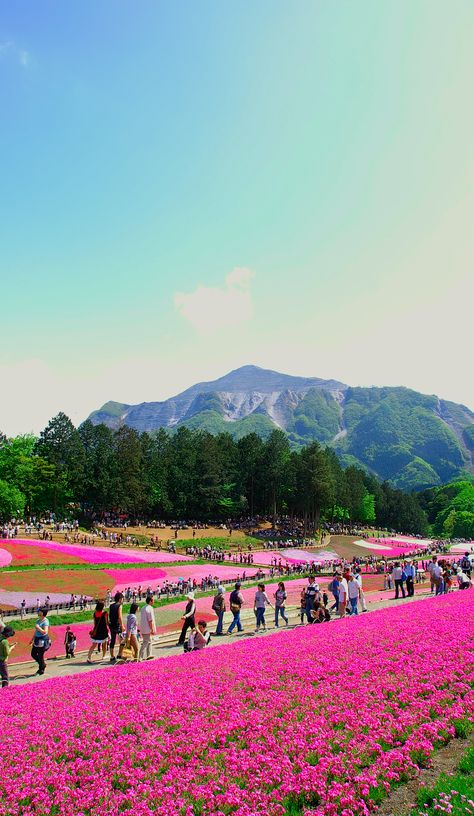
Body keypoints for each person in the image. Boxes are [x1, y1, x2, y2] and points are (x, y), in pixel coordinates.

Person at [30, 608, 49, 675]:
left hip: (42, 640)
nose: (38, 612)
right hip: (37, 639)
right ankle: (42, 664)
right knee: (33, 654)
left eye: (39, 611)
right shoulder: (38, 620)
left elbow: (45, 632)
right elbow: (36, 631)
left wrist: (38, 628)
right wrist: (32, 639)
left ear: (43, 613)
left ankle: (41, 669)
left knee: (40, 655)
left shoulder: (45, 621)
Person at [108, 592, 125, 663]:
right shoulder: (119, 606)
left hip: (112, 625)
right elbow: (120, 617)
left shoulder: (111, 606)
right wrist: (122, 626)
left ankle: (112, 656)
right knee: (123, 639)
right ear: (120, 599)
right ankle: (119, 654)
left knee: (112, 641)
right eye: (122, 598)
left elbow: (110, 615)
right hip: (117, 626)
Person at [139, 595, 156, 660]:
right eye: (153, 600)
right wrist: (152, 629)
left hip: (143, 627)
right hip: (147, 628)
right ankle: (140, 656)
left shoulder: (143, 607)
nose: (154, 601)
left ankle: (149, 654)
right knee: (146, 642)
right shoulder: (150, 608)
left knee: (149, 641)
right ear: (150, 601)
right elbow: (150, 620)